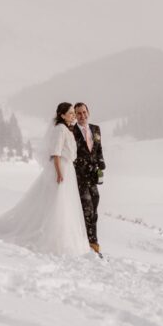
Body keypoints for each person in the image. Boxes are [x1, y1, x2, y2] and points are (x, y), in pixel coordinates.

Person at [0, 102, 92, 256]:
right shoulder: (60, 130)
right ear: (62, 115)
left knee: (63, 203)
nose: (73, 116)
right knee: (58, 203)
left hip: (67, 168)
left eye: (73, 113)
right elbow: (56, 153)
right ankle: (55, 238)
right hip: (62, 168)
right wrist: (59, 173)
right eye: (70, 113)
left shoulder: (66, 129)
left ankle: (63, 238)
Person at [71, 102, 105, 254]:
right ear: (75, 115)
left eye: (84, 112)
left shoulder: (95, 129)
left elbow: (98, 149)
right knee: (87, 209)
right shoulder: (71, 131)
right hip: (79, 177)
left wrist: (101, 162)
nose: (82, 116)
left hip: (93, 176)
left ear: (88, 112)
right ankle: (92, 243)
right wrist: (83, 164)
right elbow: (70, 155)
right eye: (78, 113)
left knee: (95, 205)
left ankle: (90, 240)